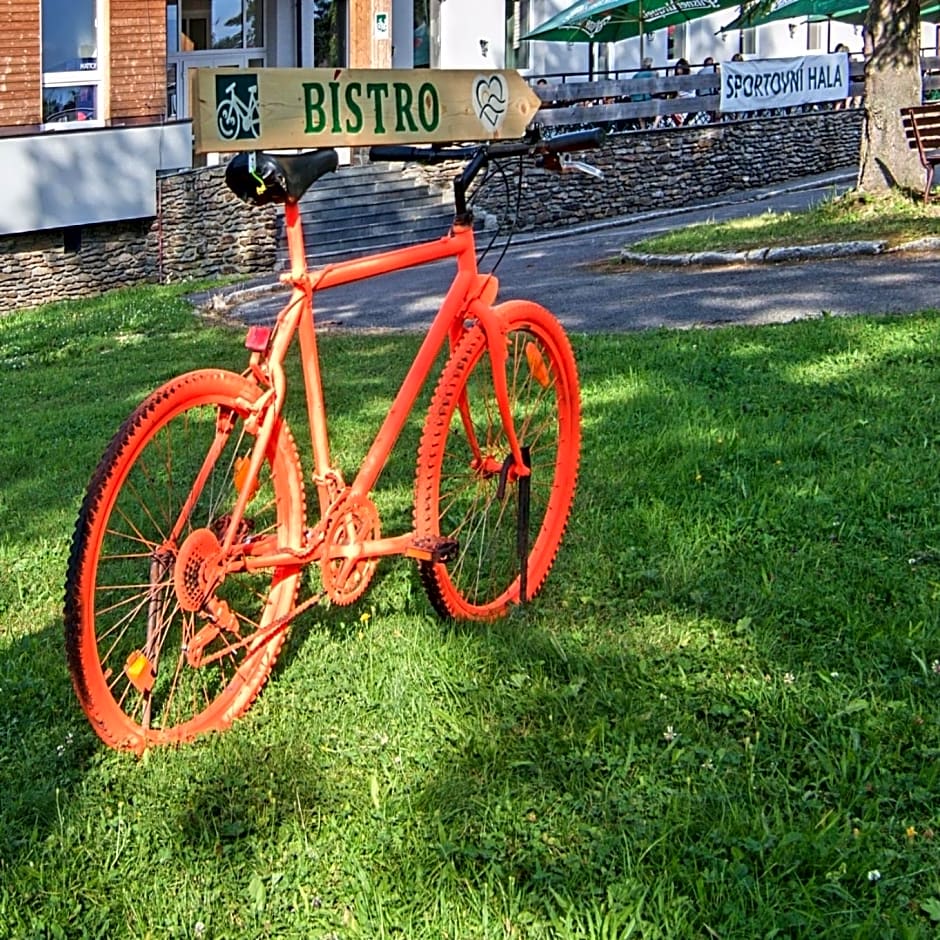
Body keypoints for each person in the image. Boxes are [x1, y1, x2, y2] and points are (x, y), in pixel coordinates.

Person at [631, 57, 657, 127]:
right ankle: (655, 126)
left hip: (636, 101)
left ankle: (643, 128)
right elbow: (654, 91)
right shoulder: (652, 74)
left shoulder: (636, 76)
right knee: (662, 105)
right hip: (647, 100)